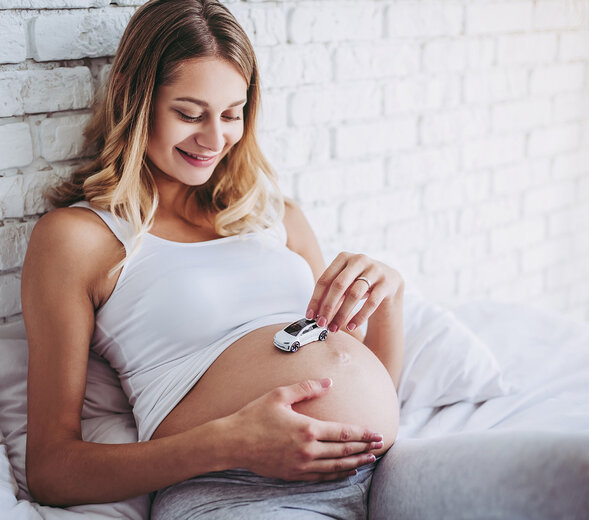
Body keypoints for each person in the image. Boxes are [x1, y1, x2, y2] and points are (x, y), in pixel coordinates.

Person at [21, 0, 404, 517]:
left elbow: (361, 375)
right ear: (139, 104)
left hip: (383, 469)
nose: (214, 138)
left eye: (231, 114)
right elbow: (51, 471)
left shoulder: (277, 216)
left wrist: (389, 296)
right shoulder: (79, 238)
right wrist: (229, 444)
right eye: (188, 113)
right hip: (238, 487)